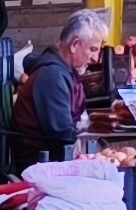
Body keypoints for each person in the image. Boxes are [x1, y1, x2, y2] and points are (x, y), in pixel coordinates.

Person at [18, 10, 109, 151]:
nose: (95, 58)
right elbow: (63, 139)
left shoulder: (65, 72)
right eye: (92, 49)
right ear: (75, 44)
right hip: (43, 164)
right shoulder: (51, 77)